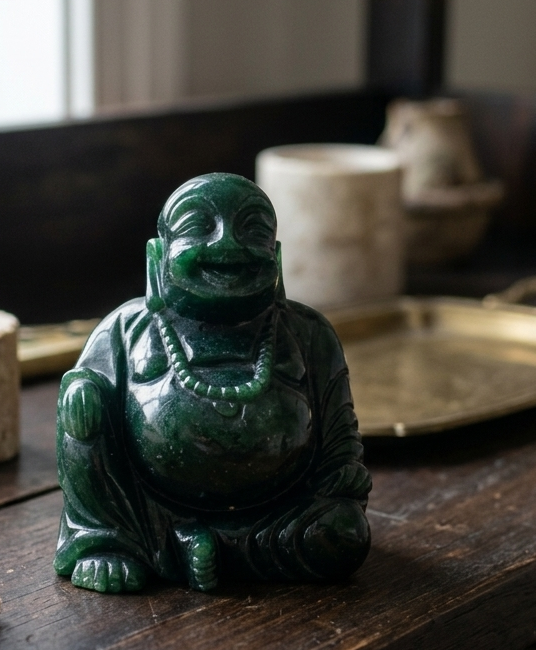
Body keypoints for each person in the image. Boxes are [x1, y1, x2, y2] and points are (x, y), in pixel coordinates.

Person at [55, 172, 371, 593]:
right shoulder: (125, 328)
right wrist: (82, 394)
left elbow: (339, 430)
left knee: (344, 536)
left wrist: (343, 472)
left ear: (275, 257)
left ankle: (200, 550)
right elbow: (88, 395)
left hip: (275, 512)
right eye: (197, 227)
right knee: (81, 409)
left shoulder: (308, 333)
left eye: (252, 230)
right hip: (152, 513)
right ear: (157, 257)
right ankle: (110, 543)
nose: (227, 244)